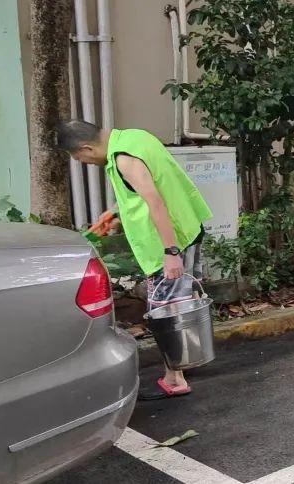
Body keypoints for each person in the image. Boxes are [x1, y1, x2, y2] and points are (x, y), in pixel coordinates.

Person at [57, 120, 213, 399]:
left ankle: (175, 378)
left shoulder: (123, 159)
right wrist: (117, 213)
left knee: (165, 310)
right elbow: (147, 188)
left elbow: (155, 201)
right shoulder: (134, 137)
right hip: (187, 227)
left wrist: (171, 253)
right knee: (184, 303)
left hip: (167, 244)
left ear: (86, 147)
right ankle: (185, 361)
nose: (84, 162)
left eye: (79, 158)